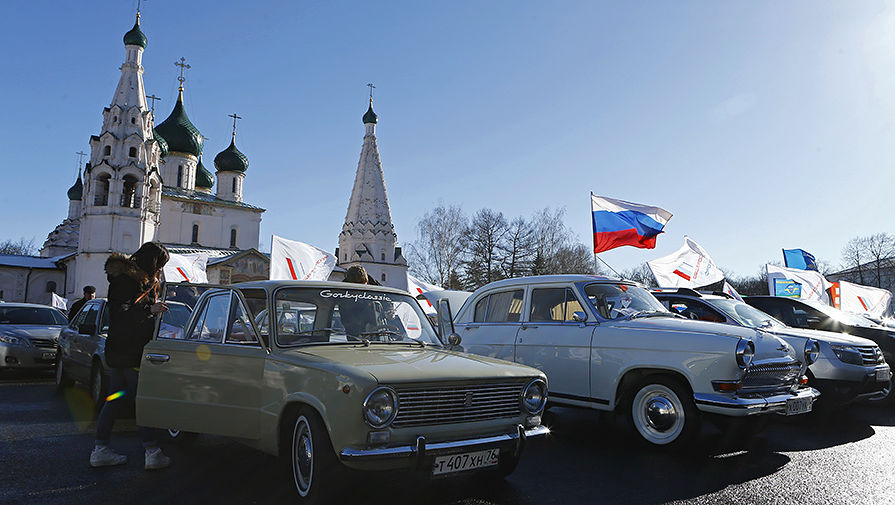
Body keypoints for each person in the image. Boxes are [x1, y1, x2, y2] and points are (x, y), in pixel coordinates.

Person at [89, 242, 171, 471]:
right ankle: (152, 451)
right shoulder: (127, 281)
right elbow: (120, 313)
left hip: (120, 349)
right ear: (152, 262)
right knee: (140, 399)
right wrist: (149, 310)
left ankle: (101, 449)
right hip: (130, 351)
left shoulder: (129, 279)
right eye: (160, 265)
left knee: (115, 399)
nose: (161, 271)